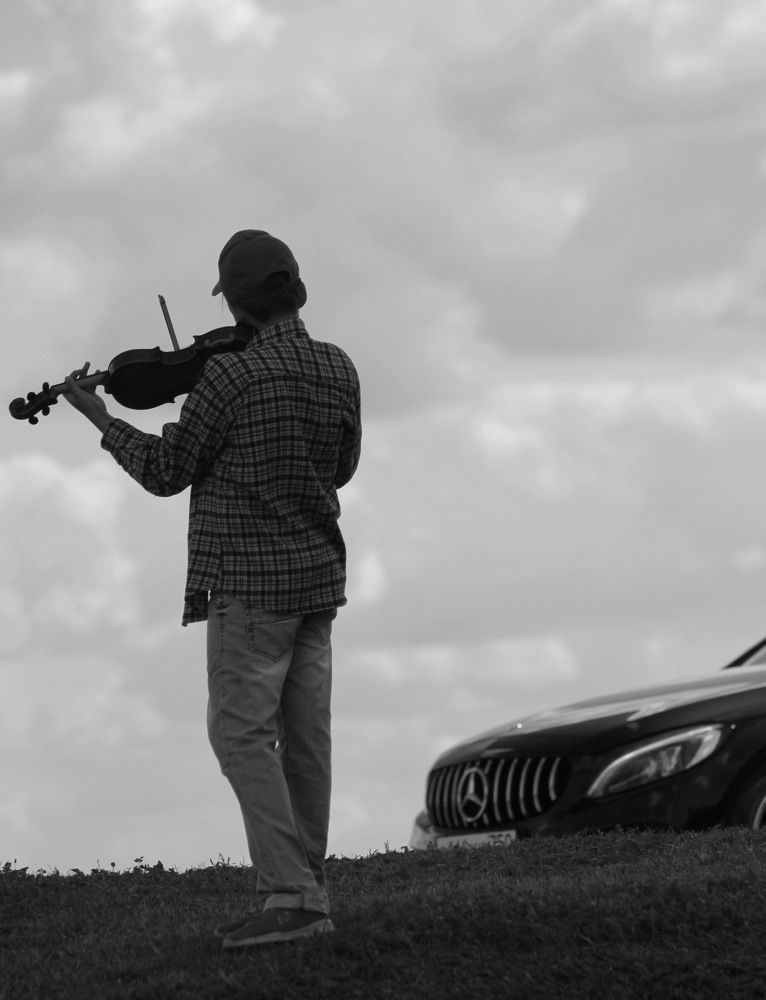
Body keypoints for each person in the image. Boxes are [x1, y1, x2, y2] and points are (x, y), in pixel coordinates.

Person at [63, 229, 362, 949]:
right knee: (307, 742)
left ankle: (291, 897)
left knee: (241, 736)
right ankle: (307, 887)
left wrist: (102, 419)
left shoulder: (229, 379)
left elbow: (167, 471)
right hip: (317, 579)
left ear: (236, 301)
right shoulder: (338, 367)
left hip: (250, 587)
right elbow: (342, 468)